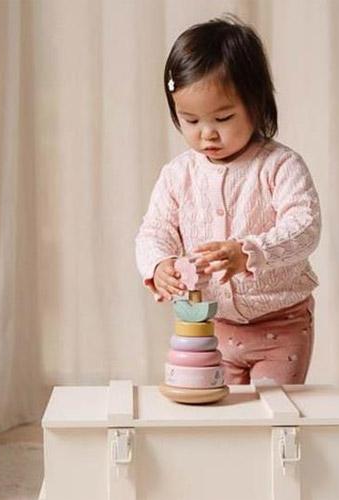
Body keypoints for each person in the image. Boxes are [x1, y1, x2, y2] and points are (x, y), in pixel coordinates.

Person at [135, 15, 321, 385]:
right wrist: (159, 264)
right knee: (220, 411)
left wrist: (250, 252)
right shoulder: (177, 175)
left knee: (273, 410)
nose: (207, 133)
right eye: (190, 120)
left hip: (281, 325)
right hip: (211, 326)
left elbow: (304, 227)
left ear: (256, 104)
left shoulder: (280, 166)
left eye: (222, 118)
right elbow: (154, 230)